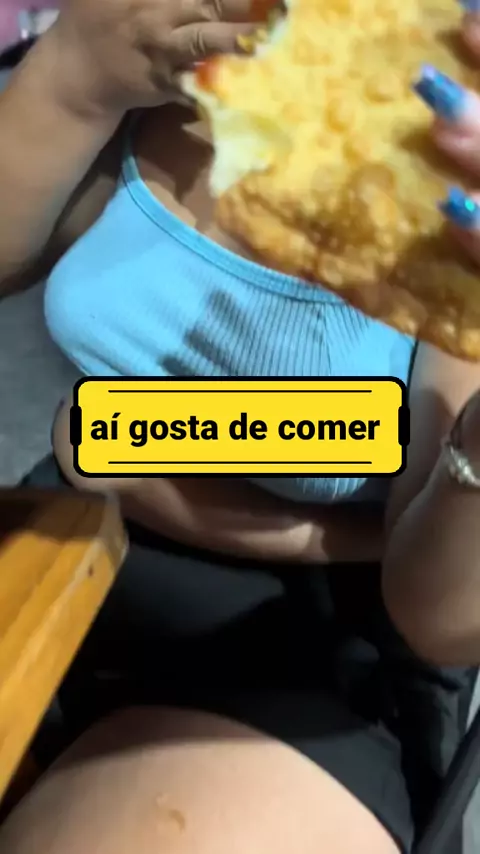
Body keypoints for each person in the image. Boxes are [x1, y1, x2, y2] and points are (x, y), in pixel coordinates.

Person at [1, 1, 480, 851]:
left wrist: (138, 446)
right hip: (65, 540)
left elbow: (436, 608)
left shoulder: (455, 144)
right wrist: (71, 79)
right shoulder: (178, 34)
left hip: (318, 650)